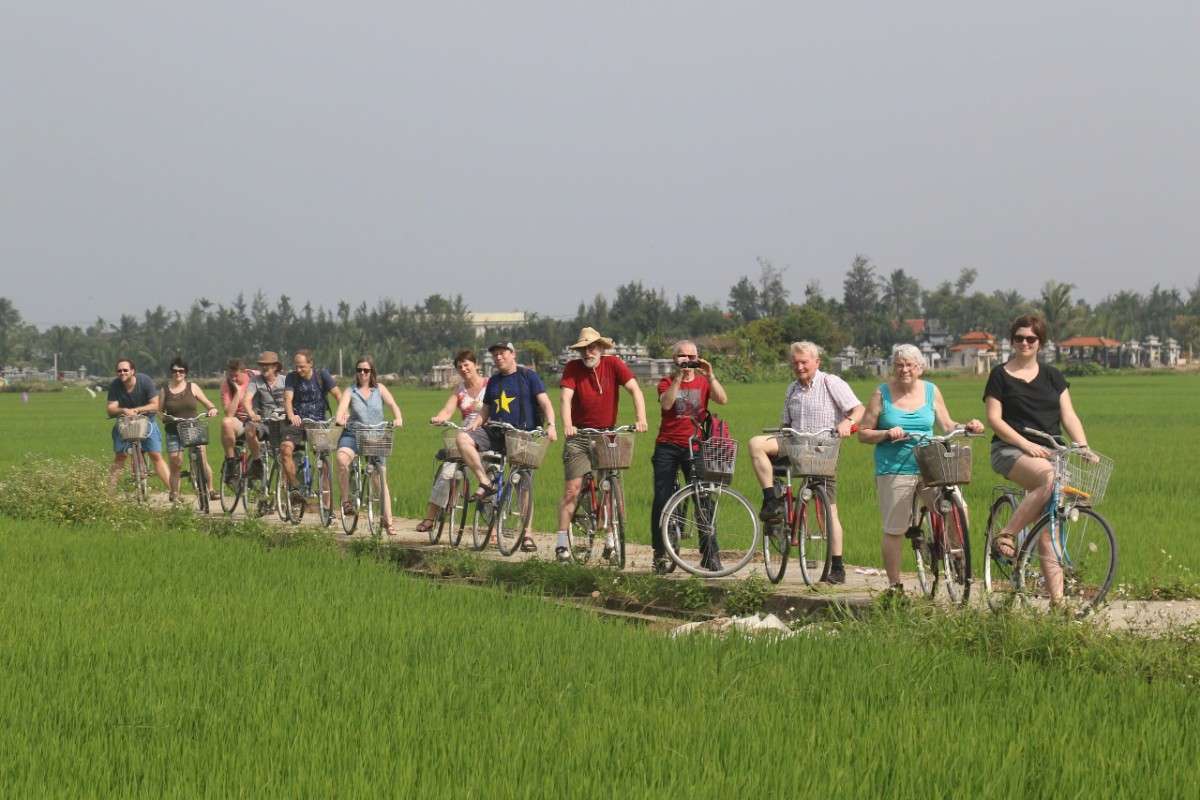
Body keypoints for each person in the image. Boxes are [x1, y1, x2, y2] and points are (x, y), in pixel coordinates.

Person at [984, 314, 1095, 605]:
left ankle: (1058, 603)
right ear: (1012, 341)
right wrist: (1025, 444)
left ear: (1040, 343)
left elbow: (1068, 415)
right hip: (1011, 449)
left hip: (1051, 451)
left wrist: (1083, 446)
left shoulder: (1052, 376)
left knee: (1048, 530)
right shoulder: (999, 375)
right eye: (1019, 338)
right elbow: (994, 419)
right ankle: (1007, 534)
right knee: (1049, 478)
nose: (1024, 343)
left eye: (1031, 338)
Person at [857, 345, 984, 591]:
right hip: (894, 468)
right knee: (895, 529)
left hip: (929, 463)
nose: (904, 370)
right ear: (893, 368)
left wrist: (967, 427)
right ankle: (895, 586)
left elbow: (947, 425)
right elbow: (863, 433)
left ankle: (956, 553)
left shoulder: (931, 391)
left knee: (957, 508)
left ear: (920, 368)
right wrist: (886, 433)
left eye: (910, 365)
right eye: (899, 365)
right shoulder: (881, 394)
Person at [747, 341, 865, 584]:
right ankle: (772, 500)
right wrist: (782, 433)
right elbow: (785, 425)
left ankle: (838, 567)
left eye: (804, 362)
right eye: (795, 363)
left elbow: (858, 409)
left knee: (831, 510)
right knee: (756, 444)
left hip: (822, 451)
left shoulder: (830, 382)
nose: (799, 367)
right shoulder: (792, 389)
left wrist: (848, 422)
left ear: (816, 362)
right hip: (794, 444)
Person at [556, 327, 649, 562]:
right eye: (584, 349)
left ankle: (611, 539)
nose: (588, 352)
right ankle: (561, 542)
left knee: (610, 487)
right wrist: (568, 424)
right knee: (572, 489)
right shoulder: (572, 368)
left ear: (601, 348)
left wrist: (641, 418)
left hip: (607, 435)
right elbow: (565, 398)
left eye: (593, 347)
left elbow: (634, 390)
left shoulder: (614, 364)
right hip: (579, 436)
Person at [458, 342, 558, 550]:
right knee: (463, 439)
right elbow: (486, 409)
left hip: (522, 435)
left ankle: (527, 534)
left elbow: (545, 402)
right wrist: (475, 424)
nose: (498, 357)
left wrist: (551, 425)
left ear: (513, 354)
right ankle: (485, 481)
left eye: (502, 353)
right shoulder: (494, 381)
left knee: (523, 484)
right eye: (495, 354)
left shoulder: (528, 376)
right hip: (496, 432)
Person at [649, 340, 728, 573]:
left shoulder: (703, 381)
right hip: (667, 446)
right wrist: (678, 379)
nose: (687, 360)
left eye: (691, 356)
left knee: (703, 498)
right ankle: (660, 552)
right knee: (662, 499)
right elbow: (666, 404)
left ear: (698, 358)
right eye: (682, 356)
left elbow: (722, 399)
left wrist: (710, 375)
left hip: (695, 446)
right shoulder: (666, 381)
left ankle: (710, 553)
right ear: (675, 359)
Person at [417, 349, 488, 533]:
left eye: (467, 365)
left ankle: (493, 528)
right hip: (465, 435)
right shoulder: (460, 390)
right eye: (460, 367)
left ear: (476, 365)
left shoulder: (490, 385)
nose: (464, 369)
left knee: (492, 475)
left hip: (487, 434)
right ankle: (430, 518)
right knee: (447, 473)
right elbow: (447, 411)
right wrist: (439, 418)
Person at [334, 356, 404, 534]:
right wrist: (340, 419)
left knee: (380, 479)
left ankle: (388, 522)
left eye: (366, 370)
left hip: (376, 436)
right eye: (359, 370)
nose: (362, 373)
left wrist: (398, 418)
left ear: (372, 372)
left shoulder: (380, 389)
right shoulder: (350, 391)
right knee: (341, 459)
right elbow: (341, 410)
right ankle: (346, 501)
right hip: (353, 434)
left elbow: (393, 405)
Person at [282, 349, 343, 505]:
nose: (298, 370)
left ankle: (327, 506)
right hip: (297, 422)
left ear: (311, 364)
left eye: (302, 366)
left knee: (324, 462)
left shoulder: (322, 376)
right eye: (296, 366)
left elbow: (338, 395)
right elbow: (288, 399)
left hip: (318, 423)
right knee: (285, 450)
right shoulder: (291, 377)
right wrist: (291, 415)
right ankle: (295, 488)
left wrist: (342, 413)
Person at [159, 356, 220, 503]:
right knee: (176, 462)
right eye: (175, 371)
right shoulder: (165, 390)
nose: (178, 373)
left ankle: (211, 489)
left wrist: (212, 409)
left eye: (181, 371)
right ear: (171, 372)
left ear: (185, 373)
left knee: (202, 458)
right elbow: (159, 411)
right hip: (174, 429)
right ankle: (174, 493)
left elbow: (207, 403)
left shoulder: (192, 387)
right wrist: (164, 418)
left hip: (193, 428)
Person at [106, 357, 171, 491]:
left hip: (147, 421)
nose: (122, 373)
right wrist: (124, 410)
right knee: (120, 456)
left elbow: (155, 404)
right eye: (119, 371)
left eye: (125, 370)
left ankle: (174, 491)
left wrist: (137, 410)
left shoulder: (145, 381)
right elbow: (111, 408)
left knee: (155, 455)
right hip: (125, 422)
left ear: (133, 371)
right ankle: (108, 494)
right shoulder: (115, 385)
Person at [243, 351, 287, 468]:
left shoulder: (285, 380)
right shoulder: (255, 381)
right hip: (263, 421)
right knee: (249, 429)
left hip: (282, 422)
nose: (264, 367)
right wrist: (252, 414)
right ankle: (257, 462)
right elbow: (246, 400)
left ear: (275, 366)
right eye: (262, 365)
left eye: (267, 365)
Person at [219, 359, 254, 474]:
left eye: (236, 376)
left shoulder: (255, 377)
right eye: (230, 376)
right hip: (240, 421)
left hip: (257, 419)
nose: (233, 379)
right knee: (226, 422)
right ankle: (231, 461)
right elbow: (229, 414)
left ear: (244, 372)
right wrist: (237, 393)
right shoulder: (227, 385)